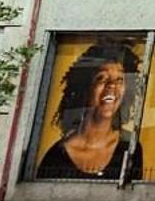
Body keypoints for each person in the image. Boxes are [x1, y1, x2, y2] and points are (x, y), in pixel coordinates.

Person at [34, 42, 143, 182]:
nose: (112, 85)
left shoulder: (131, 148)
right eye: (102, 78)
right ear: (85, 87)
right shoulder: (57, 156)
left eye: (120, 79)